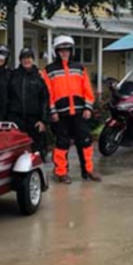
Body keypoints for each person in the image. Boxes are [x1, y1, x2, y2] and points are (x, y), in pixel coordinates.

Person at [42, 35, 102, 184]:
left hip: (80, 113)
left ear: (71, 51)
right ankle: (61, 173)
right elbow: (47, 94)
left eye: (67, 50)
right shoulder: (49, 70)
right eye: (61, 50)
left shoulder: (79, 68)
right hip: (60, 115)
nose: (64, 53)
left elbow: (87, 90)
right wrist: (52, 111)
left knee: (86, 141)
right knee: (62, 143)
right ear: (56, 51)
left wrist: (88, 108)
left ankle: (88, 170)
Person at [8, 48, 50, 160]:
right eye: (24, 58)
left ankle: (36, 175)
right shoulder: (13, 76)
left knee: (36, 151)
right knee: (17, 150)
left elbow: (45, 99)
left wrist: (44, 121)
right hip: (16, 119)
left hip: (34, 120)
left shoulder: (39, 77)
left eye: (29, 58)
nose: (26, 60)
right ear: (20, 60)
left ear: (33, 59)